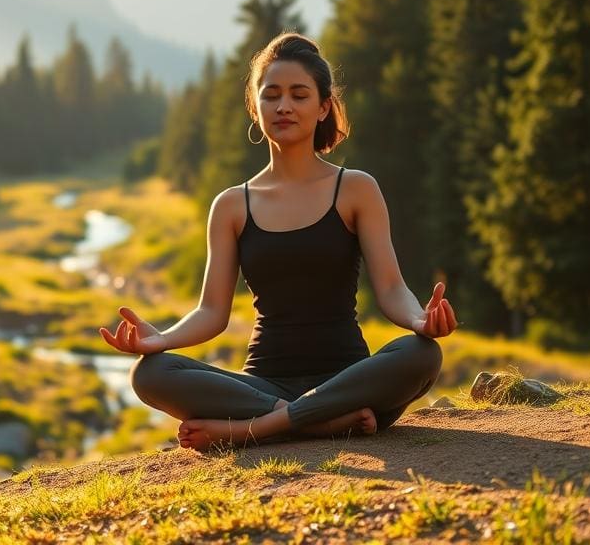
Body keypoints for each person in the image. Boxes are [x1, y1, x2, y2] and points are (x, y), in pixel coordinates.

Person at [98, 32, 458, 451]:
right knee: (149, 374)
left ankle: (259, 429)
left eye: (299, 95)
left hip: (348, 376)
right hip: (264, 381)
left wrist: (419, 321)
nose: (284, 106)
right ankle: (316, 421)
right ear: (256, 107)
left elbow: (392, 289)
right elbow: (212, 312)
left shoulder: (355, 189)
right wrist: (159, 340)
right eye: (271, 96)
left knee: (422, 355)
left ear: (323, 107)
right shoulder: (232, 205)